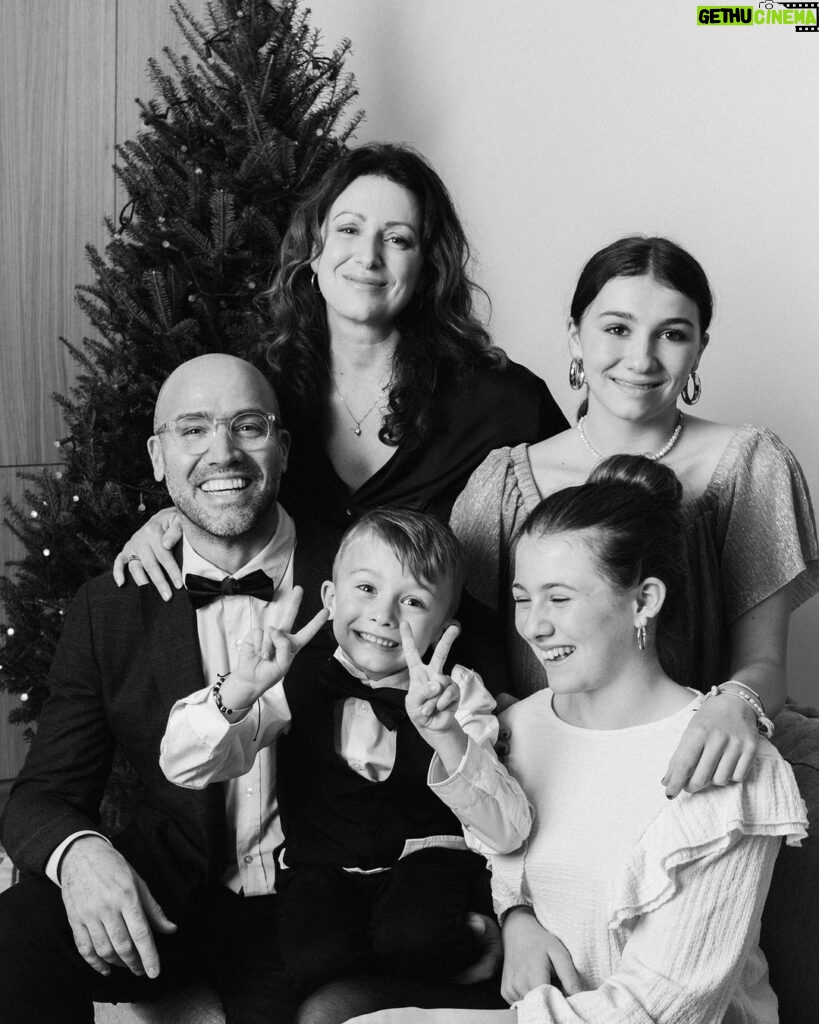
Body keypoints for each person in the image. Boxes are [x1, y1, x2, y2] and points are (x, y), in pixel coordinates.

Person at [346, 456, 808, 1024]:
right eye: (522, 597)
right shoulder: (521, 726)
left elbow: (661, 1010)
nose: (533, 625)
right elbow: (507, 853)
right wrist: (517, 916)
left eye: (559, 599)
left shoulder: (733, 764)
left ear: (643, 601)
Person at [114, 143, 566, 659]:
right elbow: (214, 484)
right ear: (316, 247)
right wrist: (169, 520)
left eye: (397, 239)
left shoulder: (502, 401)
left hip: (456, 699)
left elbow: (579, 531)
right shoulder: (260, 394)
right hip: (293, 691)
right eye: (349, 230)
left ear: (426, 267)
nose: (368, 257)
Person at [0, 354, 331, 1024]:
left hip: (314, 910)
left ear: (284, 448)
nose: (223, 453)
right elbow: (41, 796)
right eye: (193, 431)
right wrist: (80, 855)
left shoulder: (359, 574)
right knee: (16, 932)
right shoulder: (110, 608)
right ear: (158, 457)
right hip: (171, 897)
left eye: (248, 427)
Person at [449, 235, 819, 797]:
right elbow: (473, 661)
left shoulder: (749, 464)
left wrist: (735, 706)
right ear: (575, 337)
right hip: (547, 765)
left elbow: (762, 662)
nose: (642, 359)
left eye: (672, 334)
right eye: (616, 329)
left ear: (699, 349)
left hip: (700, 755)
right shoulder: (503, 481)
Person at [160, 509, 530, 998]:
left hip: (427, 862)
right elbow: (181, 764)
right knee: (313, 958)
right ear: (331, 599)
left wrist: (446, 734)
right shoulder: (292, 677)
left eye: (414, 601)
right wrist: (241, 691)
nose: (384, 615)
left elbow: (509, 830)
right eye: (367, 589)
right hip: (324, 868)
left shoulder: (458, 693)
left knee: (418, 937)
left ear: (443, 629)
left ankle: (452, 956)